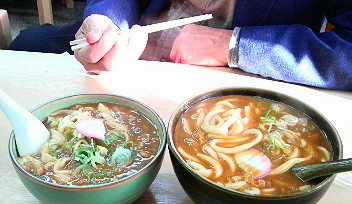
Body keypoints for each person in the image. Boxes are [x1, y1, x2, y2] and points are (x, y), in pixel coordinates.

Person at [9, 0, 352, 91]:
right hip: (139, 31)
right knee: (24, 46)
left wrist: (234, 45)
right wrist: (109, 20)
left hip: (241, 70)